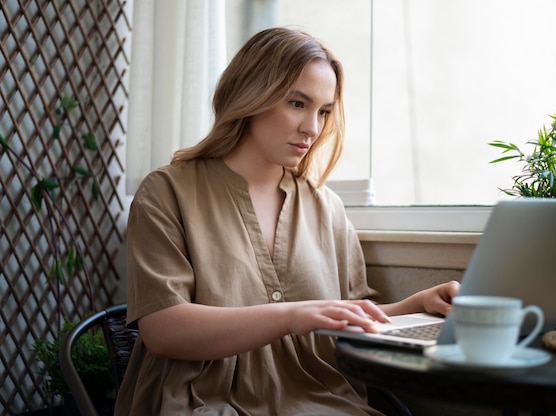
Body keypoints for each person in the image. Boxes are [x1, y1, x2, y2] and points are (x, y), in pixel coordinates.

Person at [115, 27, 459, 415]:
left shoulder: (325, 206)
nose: (313, 128)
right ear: (250, 95)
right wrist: (290, 315)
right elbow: (163, 331)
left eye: (323, 111)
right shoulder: (167, 192)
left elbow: (343, 317)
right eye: (298, 103)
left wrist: (418, 303)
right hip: (202, 401)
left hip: (319, 400)